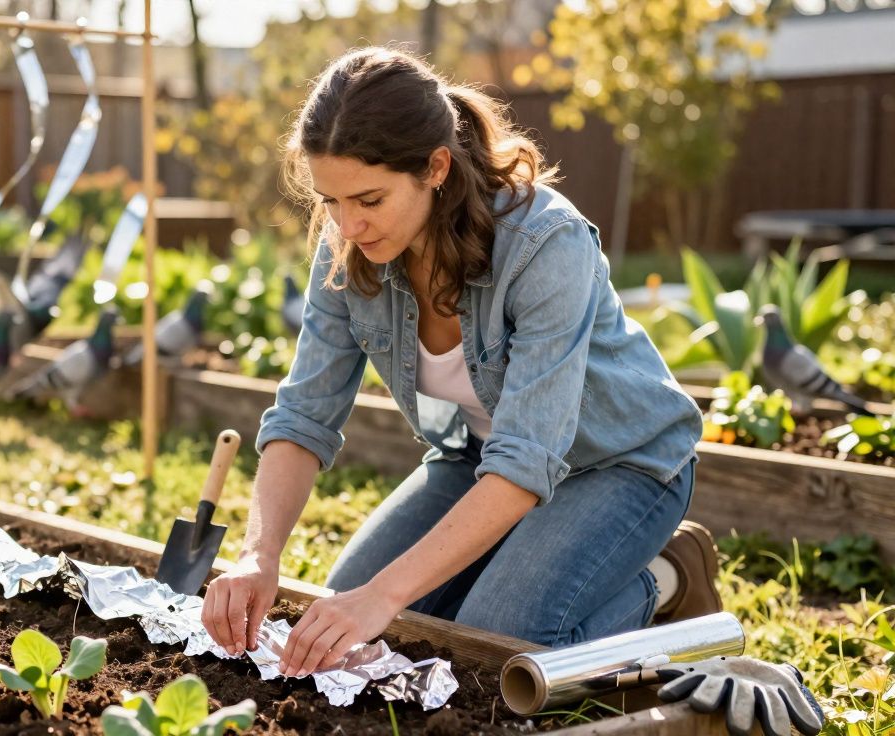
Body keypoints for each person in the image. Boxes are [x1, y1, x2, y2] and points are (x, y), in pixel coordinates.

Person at [200, 47, 720, 679]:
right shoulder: (347, 248)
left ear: (436, 166)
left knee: (492, 652)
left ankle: (667, 581)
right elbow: (304, 415)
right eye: (330, 201)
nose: (348, 224)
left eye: (368, 198)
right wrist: (260, 554)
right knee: (349, 645)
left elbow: (528, 458)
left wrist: (385, 595)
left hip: (619, 464)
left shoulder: (544, 243)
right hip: (477, 460)